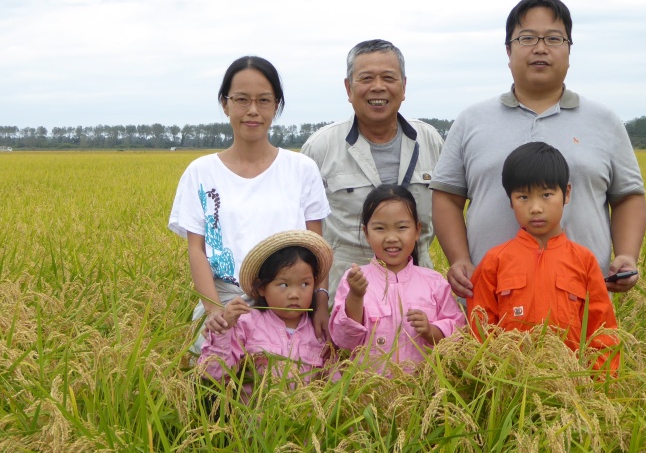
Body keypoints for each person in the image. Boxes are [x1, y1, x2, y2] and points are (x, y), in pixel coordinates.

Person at [430, 0, 646, 301]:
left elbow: (627, 198)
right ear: (508, 50)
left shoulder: (604, 121)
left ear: (569, 50)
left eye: (554, 38)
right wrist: (459, 259)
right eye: (527, 38)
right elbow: (446, 198)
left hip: (581, 303)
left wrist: (627, 254)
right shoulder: (471, 120)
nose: (541, 48)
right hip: (490, 303)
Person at [169, 56, 332, 351]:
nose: (253, 110)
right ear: (225, 104)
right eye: (242, 99)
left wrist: (321, 299)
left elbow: (315, 247)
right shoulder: (201, 172)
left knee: (294, 387)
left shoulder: (302, 168)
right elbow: (197, 249)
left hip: (291, 309)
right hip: (226, 305)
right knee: (216, 387)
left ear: (276, 105)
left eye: (264, 100)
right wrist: (213, 310)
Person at [301, 39, 445, 299]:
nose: (378, 87)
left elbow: (449, 212)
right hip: (346, 296)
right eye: (366, 78)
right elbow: (303, 232)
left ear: (403, 85)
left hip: (421, 297)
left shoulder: (429, 140)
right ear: (348, 87)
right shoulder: (320, 147)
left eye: (389, 77)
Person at [468, 142, 620, 374]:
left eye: (546, 195)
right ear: (510, 200)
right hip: (510, 386)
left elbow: (602, 332)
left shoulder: (583, 261)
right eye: (523, 197)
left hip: (571, 387)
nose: (536, 208)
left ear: (566, 193)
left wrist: (598, 390)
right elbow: (479, 330)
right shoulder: (495, 261)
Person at [328, 185, 464, 373]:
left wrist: (430, 331)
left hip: (422, 391)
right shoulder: (355, 280)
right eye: (380, 229)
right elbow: (343, 340)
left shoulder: (434, 282)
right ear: (366, 233)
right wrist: (356, 297)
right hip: (369, 392)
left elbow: (458, 331)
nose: (391, 237)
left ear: (417, 231)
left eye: (401, 227)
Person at [199, 230, 333, 384]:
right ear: (261, 288)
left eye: (305, 284)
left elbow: (332, 380)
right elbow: (214, 373)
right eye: (284, 284)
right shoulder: (246, 324)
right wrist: (224, 330)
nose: (294, 294)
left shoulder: (319, 330)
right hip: (254, 407)